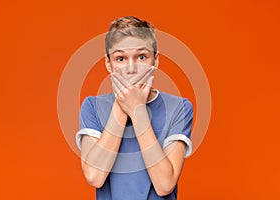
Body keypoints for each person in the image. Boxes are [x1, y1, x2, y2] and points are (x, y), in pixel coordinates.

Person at [76, 16, 193, 200]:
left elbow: (164, 185)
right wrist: (122, 106)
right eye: (121, 58)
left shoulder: (179, 108)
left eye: (141, 57)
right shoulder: (92, 107)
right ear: (109, 63)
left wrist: (138, 110)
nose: (131, 68)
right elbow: (95, 176)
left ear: (155, 60)